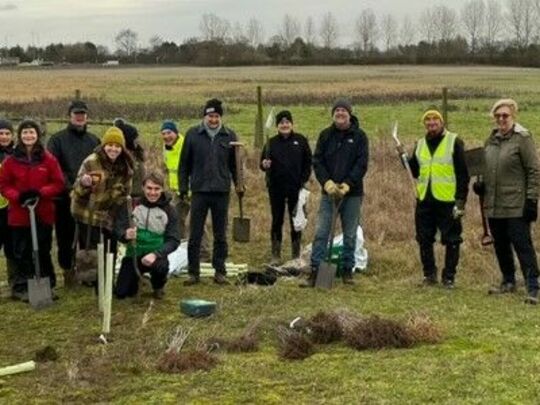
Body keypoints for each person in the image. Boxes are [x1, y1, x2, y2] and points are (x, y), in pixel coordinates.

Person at [473, 99, 540, 304]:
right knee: (501, 244)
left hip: (516, 204)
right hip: (494, 204)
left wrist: (532, 200)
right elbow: (484, 169)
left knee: (522, 245)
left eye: (505, 115)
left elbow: (533, 171)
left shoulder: (523, 139)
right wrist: (480, 185)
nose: (501, 119)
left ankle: (533, 287)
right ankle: (508, 281)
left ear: (513, 116)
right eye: (498, 116)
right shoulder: (490, 140)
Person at [301, 99, 369, 287]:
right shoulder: (326, 135)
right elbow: (318, 161)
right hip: (329, 194)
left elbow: (361, 164)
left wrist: (348, 184)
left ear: (349, 114)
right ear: (333, 114)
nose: (340, 113)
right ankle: (316, 272)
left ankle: (348, 271)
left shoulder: (360, 137)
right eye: (337, 111)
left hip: (352, 194)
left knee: (350, 234)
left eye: (343, 111)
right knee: (322, 232)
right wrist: (327, 183)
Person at [398, 109, 469, 288]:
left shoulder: (454, 142)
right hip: (424, 200)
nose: (431, 122)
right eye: (427, 120)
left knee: (452, 239)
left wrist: (461, 200)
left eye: (435, 119)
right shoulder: (420, 144)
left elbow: (463, 174)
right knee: (424, 238)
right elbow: (415, 171)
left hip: (448, 200)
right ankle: (429, 275)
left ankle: (449, 277)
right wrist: (403, 157)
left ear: (441, 121)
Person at [180, 98, 242, 286]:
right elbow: (184, 164)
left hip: (221, 191)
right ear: (204, 116)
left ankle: (220, 271)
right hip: (199, 190)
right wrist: (184, 187)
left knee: (220, 233)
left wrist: (239, 184)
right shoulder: (192, 135)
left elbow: (235, 165)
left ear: (220, 117)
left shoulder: (229, 136)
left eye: (216, 116)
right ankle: (193, 273)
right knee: (195, 233)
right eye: (210, 116)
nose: (213, 119)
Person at [0, 119, 64, 301]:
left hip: (42, 210)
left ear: (38, 135)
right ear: (20, 136)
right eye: (25, 132)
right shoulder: (11, 161)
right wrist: (18, 196)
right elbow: (3, 185)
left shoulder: (48, 159)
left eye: (32, 132)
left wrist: (40, 193)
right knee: (22, 251)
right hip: (19, 213)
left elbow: (58, 183)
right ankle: (22, 287)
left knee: (43, 250)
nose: (29, 136)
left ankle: (48, 285)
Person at [70, 126, 134, 282]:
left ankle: (107, 282)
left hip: (109, 215)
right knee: (92, 250)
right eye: (110, 145)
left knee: (110, 250)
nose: (113, 149)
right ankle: (92, 280)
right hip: (87, 213)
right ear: (104, 145)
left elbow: (126, 194)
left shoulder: (126, 167)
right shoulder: (91, 162)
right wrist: (84, 184)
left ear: (122, 148)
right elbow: (76, 191)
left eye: (117, 146)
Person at [47, 100, 100, 284]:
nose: (80, 117)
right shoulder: (57, 140)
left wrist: (90, 186)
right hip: (64, 197)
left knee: (88, 237)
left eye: (83, 114)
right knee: (65, 236)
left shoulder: (94, 140)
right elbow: (53, 167)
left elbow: (100, 166)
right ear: (70, 116)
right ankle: (68, 271)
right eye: (76, 114)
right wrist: (71, 187)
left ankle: (88, 274)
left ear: (87, 117)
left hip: (89, 198)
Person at [114, 172, 180, 299]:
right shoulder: (131, 205)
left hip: (156, 256)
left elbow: (174, 240)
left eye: (157, 189)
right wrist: (124, 234)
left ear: (162, 189)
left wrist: (156, 254)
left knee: (161, 267)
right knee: (121, 293)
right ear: (143, 188)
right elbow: (118, 228)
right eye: (149, 188)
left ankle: (158, 286)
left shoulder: (170, 210)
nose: (153, 193)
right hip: (133, 255)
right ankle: (137, 280)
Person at [260, 110, 312, 264]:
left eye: (287, 122)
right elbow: (262, 163)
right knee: (277, 220)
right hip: (275, 188)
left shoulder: (301, 141)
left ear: (292, 124)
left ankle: (296, 254)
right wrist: (264, 164)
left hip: (296, 188)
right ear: (277, 126)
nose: (284, 125)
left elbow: (308, 162)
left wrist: (303, 179)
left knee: (296, 220)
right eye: (281, 123)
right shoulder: (271, 143)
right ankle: (276, 255)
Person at [0, 119, 17, 296]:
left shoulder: (16, 155)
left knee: (13, 247)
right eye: (1, 133)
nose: (4, 137)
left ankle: (15, 282)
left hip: (13, 208)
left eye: (7, 133)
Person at [114, 118, 146, 200]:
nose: (137, 140)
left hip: (141, 196)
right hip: (129, 199)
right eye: (135, 138)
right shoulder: (121, 159)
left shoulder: (137, 155)